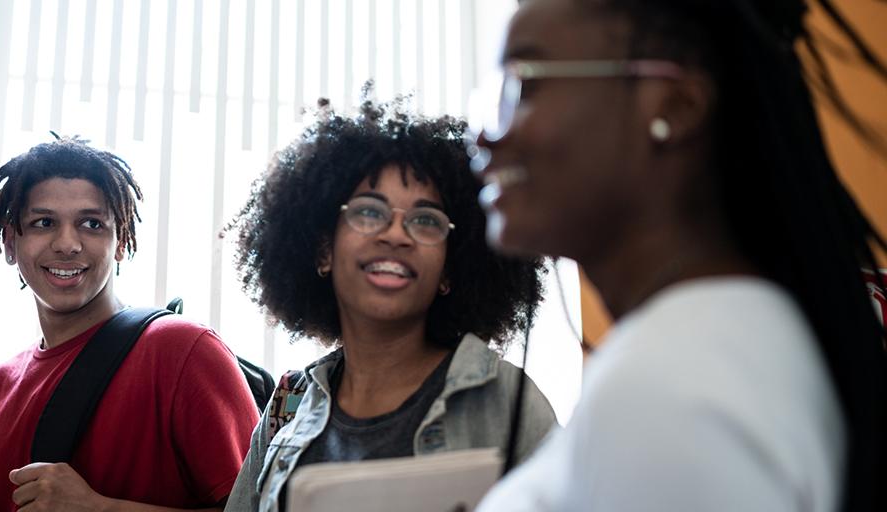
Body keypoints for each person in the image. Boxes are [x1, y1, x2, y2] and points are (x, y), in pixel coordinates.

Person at [470, 0, 887, 510]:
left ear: (674, 106)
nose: (485, 135)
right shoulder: (727, 340)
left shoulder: (668, 387)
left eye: (524, 83)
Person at [224, 93, 558, 512]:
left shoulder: (509, 403)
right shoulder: (285, 410)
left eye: (425, 220)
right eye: (368, 212)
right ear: (324, 251)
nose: (396, 235)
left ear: (449, 272)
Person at [0, 136, 260, 511]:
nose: (67, 244)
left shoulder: (184, 353)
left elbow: (259, 507)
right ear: (11, 243)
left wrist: (100, 508)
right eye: (43, 222)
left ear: (121, 241)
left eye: (91, 224)